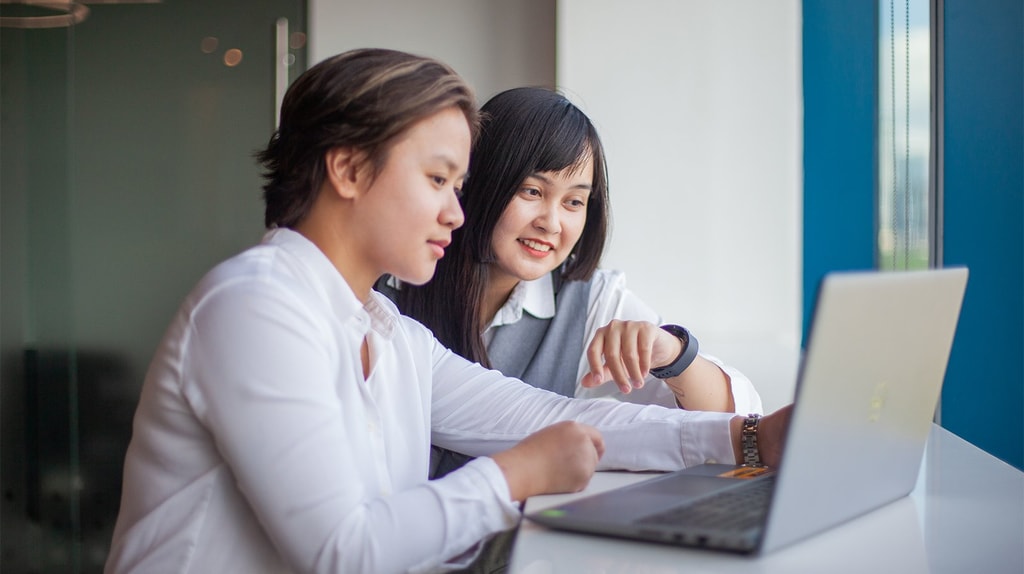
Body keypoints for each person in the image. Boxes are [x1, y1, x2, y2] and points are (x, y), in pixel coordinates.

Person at [105, 49, 790, 574]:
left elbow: (545, 417)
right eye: (437, 180)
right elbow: (345, 550)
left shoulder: (386, 330)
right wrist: (518, 476)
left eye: (459, 186)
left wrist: (746, 439)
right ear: (348, 170)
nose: (456, 213)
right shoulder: (255, 307)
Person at [386, 87, 762, 476]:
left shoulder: (591, 301)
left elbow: (739, 418)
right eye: (532, 191)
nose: (551, 223)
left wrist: (672, 353)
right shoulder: (394, 282)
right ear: (478, 182)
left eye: (574, 202)